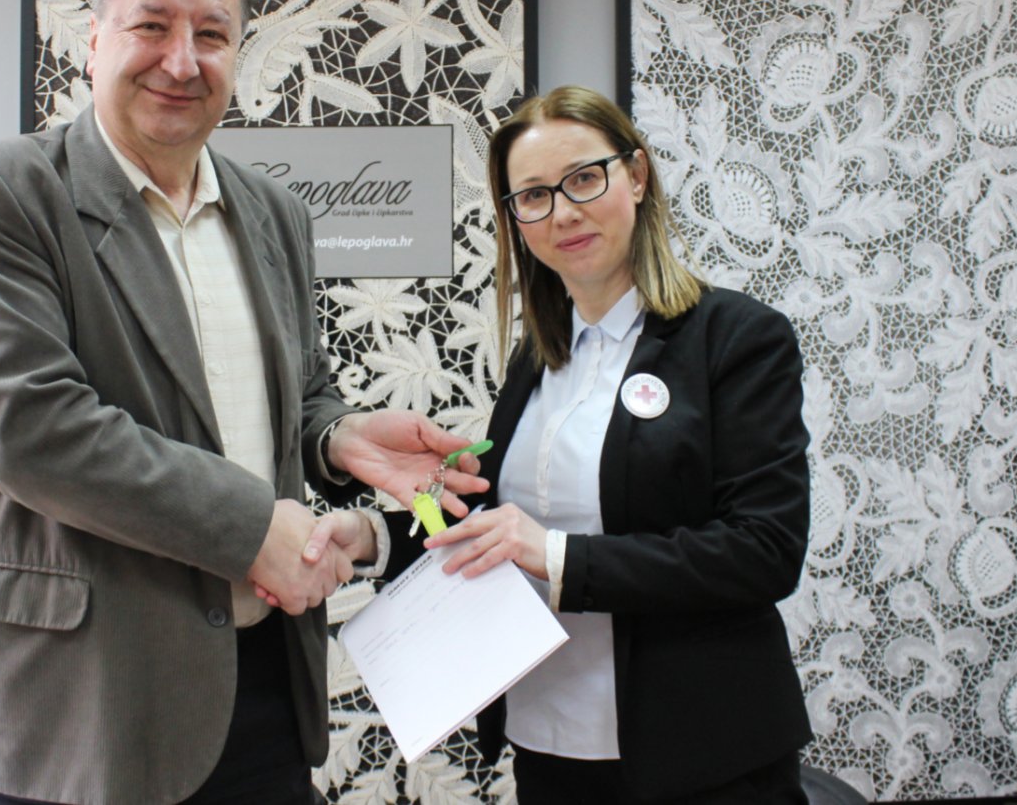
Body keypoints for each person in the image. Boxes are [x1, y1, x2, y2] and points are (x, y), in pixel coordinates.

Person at [0, 0, 484, 805]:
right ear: (94, 41)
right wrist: (257, 526)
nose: (181, 61)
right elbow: (27, 427)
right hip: (74, 707)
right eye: (152, 26)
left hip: (258, 688)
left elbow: (291, 393)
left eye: (212, 35)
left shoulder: (275, 213)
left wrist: (336, 436)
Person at [304, 85, 813, 803]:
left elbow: (765, 550)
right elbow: (497, 533)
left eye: (584, 179)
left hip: (700, 752)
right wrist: (371, 538)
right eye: (534, 196)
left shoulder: (735, 338)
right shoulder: (538, 359)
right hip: (548, 743)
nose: (563, 212)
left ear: (637, 176)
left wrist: (557, 555)